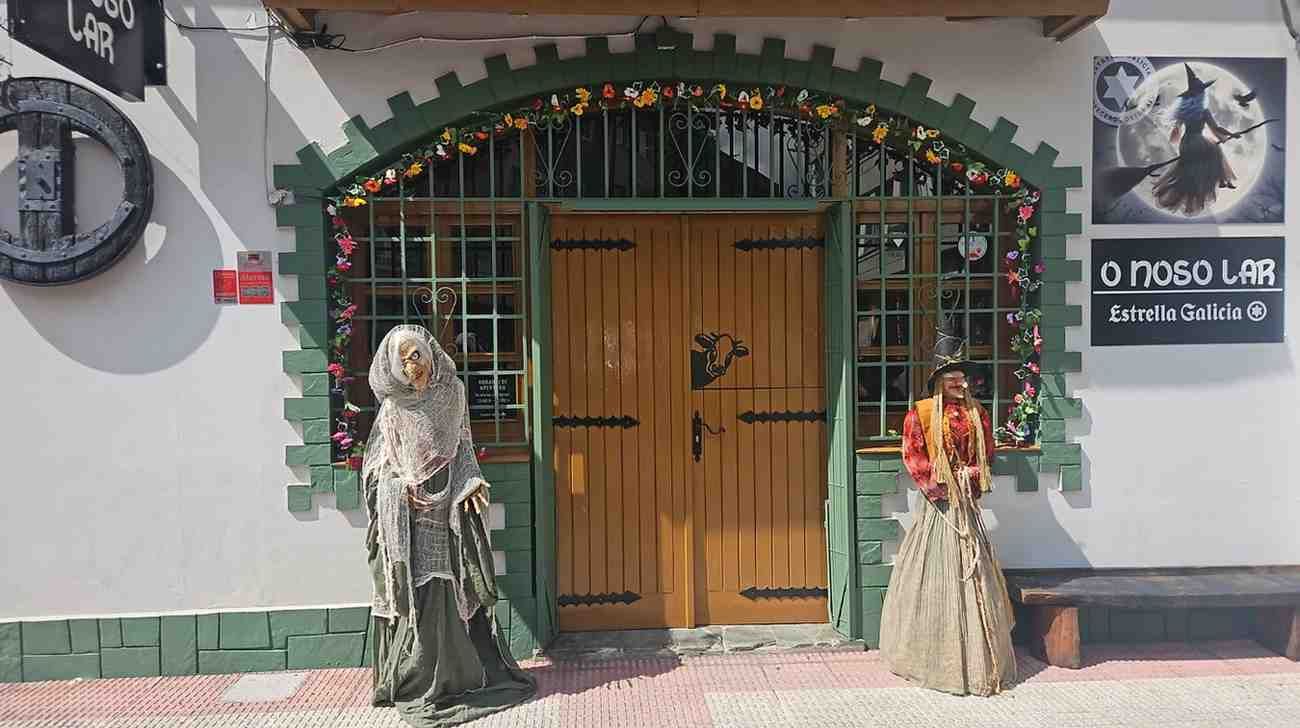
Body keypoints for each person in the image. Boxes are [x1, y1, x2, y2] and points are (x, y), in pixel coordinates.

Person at [361, 324, 536, 727]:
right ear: (393, 366)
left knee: (452, 589)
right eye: (404, 359)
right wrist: (397, 492)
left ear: (429, 354)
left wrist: (471, 483)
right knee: (420, 594)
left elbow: (463, 451)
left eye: (417, 355)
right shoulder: (393, 408)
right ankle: (418, 679)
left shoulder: (452, 394)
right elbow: (377, 469)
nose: (413, 365)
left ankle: (461, 677)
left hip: (448, 515)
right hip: (409, 517)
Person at [878, 327, 1017, 696]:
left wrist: (973, 474)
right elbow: (913, 455)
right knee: (935, 577)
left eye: (963, 376)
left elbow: (987, 454)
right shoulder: (921, 414)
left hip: (966, 506)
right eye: (953, 376)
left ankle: (979, 660)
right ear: (939, 380)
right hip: (939, 509)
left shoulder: (977, 413)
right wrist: (943, 483)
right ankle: (936, 658)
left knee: (976, 577)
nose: (961, 382)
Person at [1152, 63, 1238, 216]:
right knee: (1214, 148)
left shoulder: (1184, 111)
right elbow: (1216, 128)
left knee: (1208, 150)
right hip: (1196, 141)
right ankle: (1222, 179)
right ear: (1201, 95)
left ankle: (1219, 179)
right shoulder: (1204, 112)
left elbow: (1176, 131)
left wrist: (1176, 140)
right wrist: (1231, 135)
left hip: (1186, 143)